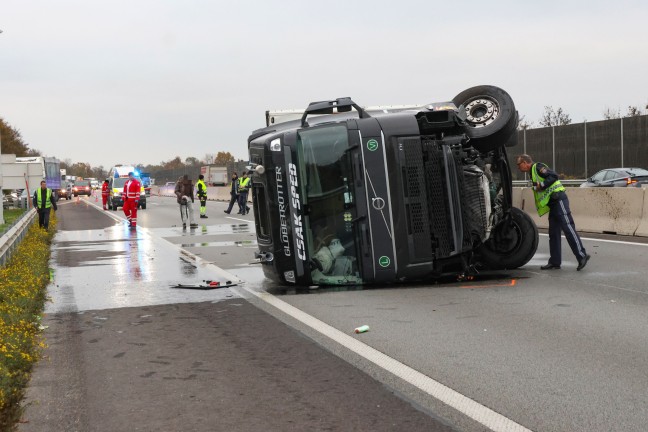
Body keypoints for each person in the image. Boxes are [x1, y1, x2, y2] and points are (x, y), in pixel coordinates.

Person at [516, 154, 590, 271]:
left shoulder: (538, 167)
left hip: (558, 199)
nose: (518, 167)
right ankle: (555, 262)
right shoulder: (532, 173)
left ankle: (582, 255)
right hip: (553, 203)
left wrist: (543, 185)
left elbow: (554, 176)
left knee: (567, 227)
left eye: (518, 164)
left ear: (525, 162)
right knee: (553, 233)